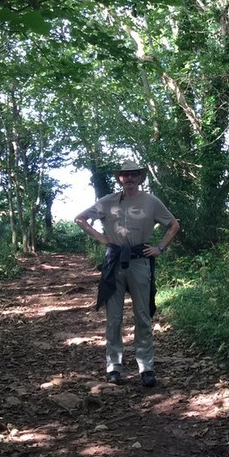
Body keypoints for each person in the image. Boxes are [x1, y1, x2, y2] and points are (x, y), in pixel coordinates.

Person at [74, 160, 180, 388]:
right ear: (120, 178)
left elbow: (173, 225)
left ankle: (146, 368)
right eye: (125, 175)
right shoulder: (108, 201)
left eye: (134, 175)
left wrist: (159, 248)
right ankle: (114, 368)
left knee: (142, 316)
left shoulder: (151, 201)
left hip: (140, 261)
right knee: (114, 318)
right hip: (114, 262)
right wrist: (102, 239)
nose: (130, 178)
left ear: (140, 178)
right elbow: (80, 218)